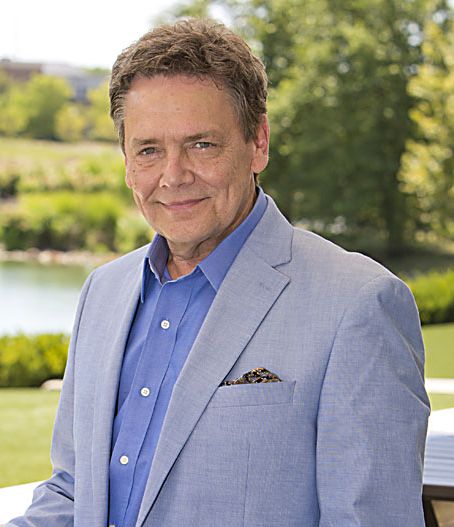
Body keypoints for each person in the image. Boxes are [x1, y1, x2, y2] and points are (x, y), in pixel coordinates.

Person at [8, 18, 430, 527]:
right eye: (149, 150)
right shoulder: (104, 290)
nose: (173, 176)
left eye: (201, 144)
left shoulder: (358, 304)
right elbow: (73, 491)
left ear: (258, 143)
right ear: (126, 161)